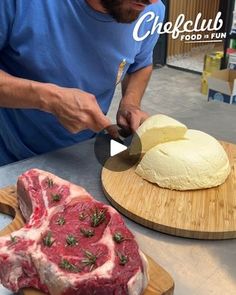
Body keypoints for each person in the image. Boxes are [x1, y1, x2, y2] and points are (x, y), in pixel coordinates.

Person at [0, 0, 165, 166]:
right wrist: (49, 99)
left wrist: (130, 104)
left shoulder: (151, 10)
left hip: (82, 156)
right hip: (9, 158)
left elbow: (140, 65)